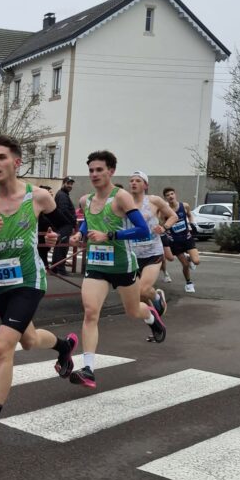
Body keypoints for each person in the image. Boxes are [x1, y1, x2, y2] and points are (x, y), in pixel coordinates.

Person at [0, 135, 79, 458]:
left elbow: (66, 224)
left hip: (29, 281)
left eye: (1, 158)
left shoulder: (38, 197)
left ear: (16, 162)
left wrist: (54, 234)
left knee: (1, 346)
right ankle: (64, 347)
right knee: (30, 340)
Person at [68, 150, 166, 390]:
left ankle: (152, 317)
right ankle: (88, 369)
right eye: (91, 170)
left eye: (99, 170)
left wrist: (109, 235)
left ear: (110, 171)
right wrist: (79, 235)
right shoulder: (85, 200)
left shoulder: (120, 197)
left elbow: (143, 230)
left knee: (133, 311)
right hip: (97, 265)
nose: (94, 174)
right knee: (91, 312)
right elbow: (88, 223)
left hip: (123, 265)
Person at [128, 170, 178, 317]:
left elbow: (173, 216)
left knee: (144, 289)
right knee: (140, 296)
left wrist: (163, 227)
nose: (134, 183)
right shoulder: (125, 202)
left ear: (145, 185)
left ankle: (156, 297)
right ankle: (154, 313)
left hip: (152, 252)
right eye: (131, 180)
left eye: (138, 180)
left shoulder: (153, 200)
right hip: (132, 255)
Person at [161, 187, 200, 292]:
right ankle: (189, 283)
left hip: (187, 238)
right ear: (165, 198)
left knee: (196, 261)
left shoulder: (185, 205)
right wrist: (165, 230)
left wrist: (192, 224)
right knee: (185, 265)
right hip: (175, 241)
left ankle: (190, 258)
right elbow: (162, 224)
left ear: (175, 194)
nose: (170, 196)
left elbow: (190, 215)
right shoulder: (165, 211)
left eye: (172, 194)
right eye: (168, 195)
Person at [51, 176, 76, 275]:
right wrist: (73, 221)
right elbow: (64, 210)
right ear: (63, 183)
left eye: (71, 184)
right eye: (68, 183)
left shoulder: (63, 194)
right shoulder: (62, 195)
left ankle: (55, 268)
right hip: (64, 225)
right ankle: (60, 269)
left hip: (63, 225)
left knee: (59, 246)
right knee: (62, 247)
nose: (70, 186)